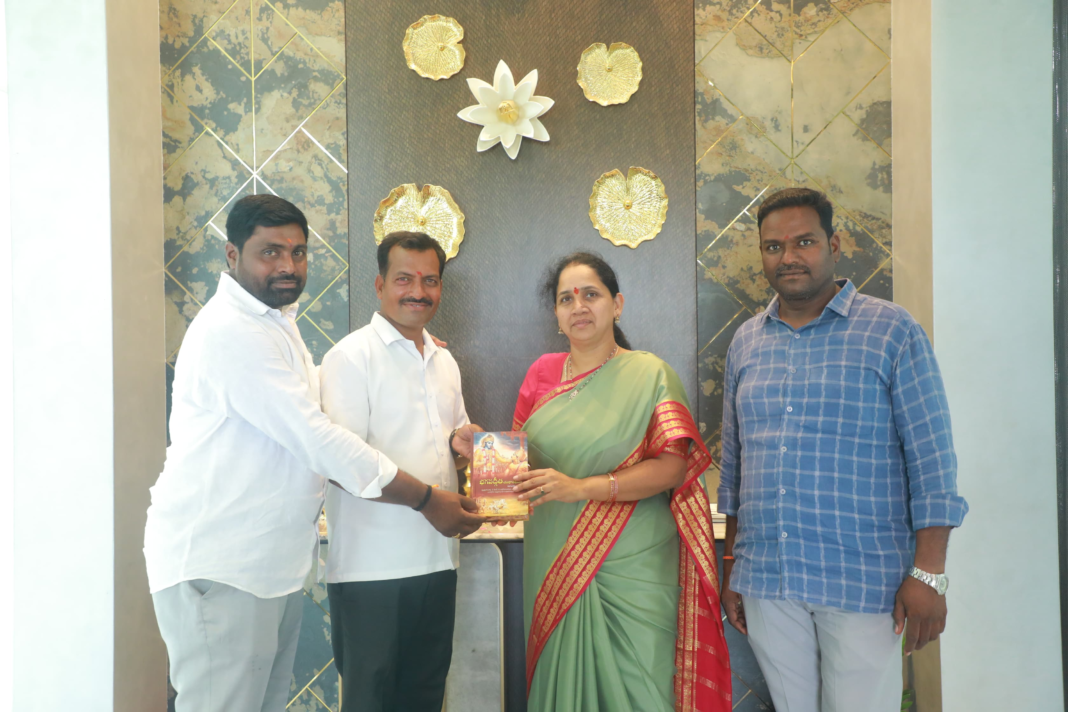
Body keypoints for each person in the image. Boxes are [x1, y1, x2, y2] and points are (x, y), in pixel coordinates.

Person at [144, 201, 482, 712]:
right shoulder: (231, 330)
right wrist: (426, 500)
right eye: (270, 252)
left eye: (298, 252)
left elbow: (306, 404)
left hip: (267, 565)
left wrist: (405, 354)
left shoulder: (277, 324)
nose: (287, 265)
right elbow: (317, 437)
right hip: (222, 561)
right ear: (233, 255)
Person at [718, 188, 969, 712]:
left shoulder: (891, 330)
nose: (788, 256)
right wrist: (734, 565)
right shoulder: (746, 341)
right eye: (773, 247)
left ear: (833, 245)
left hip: (863, 580)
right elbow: (737, 469)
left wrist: (929, 573)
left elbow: (932, 461)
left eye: (804, 242)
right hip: (768, 578)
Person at [511, 252, 732, 712]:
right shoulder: (541, 375)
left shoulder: (650, 375)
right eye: (566, 299)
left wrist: (582, 488)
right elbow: (516, 463)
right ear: (556, 315)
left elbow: (673, 468)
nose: (579, 307)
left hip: (635, 560)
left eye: (591, 294)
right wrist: (477, 453)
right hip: (553, 555)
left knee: (642, 686)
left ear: (617, 304)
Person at [318, 231, 485, 712]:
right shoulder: (351, 356)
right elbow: (343, 465)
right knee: (371, 702)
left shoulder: (444, 361)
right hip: (372, 570)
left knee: (425, 698)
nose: (418, 291)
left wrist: (462, 447)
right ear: (379, 284)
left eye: (430, 280)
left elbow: (447, 450)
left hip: (438, 562)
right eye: (404, 279)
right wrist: (429, 500)